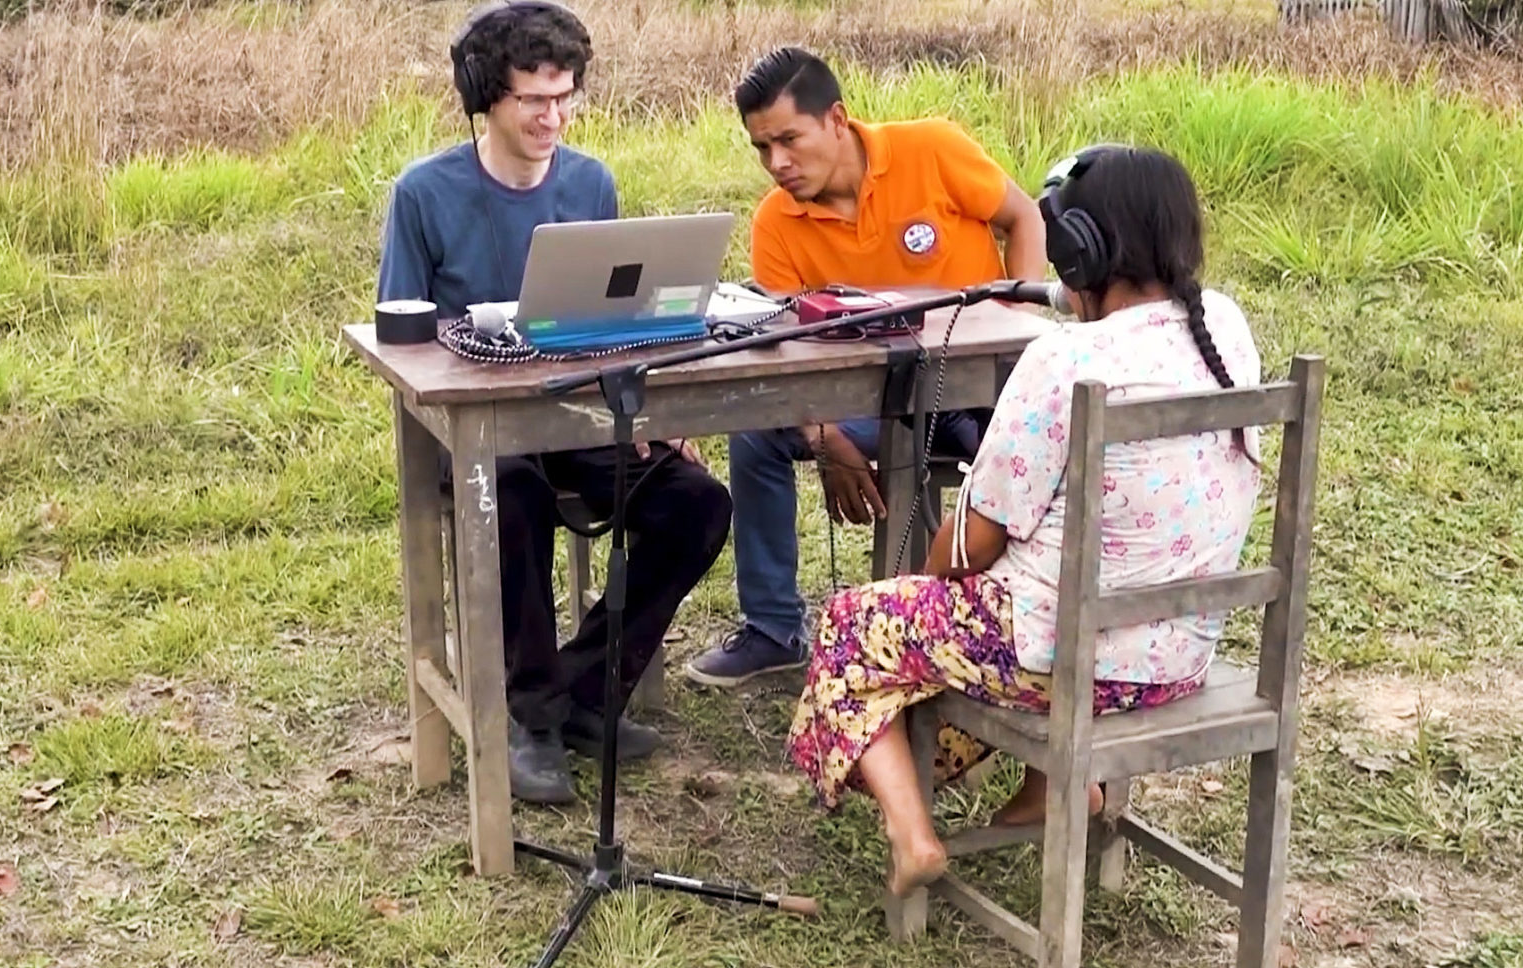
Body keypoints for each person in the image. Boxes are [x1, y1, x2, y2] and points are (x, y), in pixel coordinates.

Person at [785, 144, 1265, 896]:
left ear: (1079, 251)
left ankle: (914, 838)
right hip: (1176, 658)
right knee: (981, 609)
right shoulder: (1227, 328)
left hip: (1069, 665)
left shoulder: (1064, 359)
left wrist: (925, 584)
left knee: (854, 623)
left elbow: (975, 543)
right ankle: (1055, 791)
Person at [377, 0, 732, 805]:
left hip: (578, 415)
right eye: (533, 100)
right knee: (517, 494)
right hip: (470, 431)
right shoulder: (423, 194)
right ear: (485, 99)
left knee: (697, 504)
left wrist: (656, 420)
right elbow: (400, 338)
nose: (554, 115)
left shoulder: (589, 181)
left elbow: (611, 325)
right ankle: (527, 718)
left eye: (565, 95)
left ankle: (581, 691)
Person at [686, 47, 1048, 688]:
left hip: (984, 390)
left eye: (789, 140)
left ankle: (1022, 627)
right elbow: (784, 349)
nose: (778, 164)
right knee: (755, 435)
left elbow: (1024, 217)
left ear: (837, 119)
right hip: (867, 404)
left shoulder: (931, 150)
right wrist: (822, 435)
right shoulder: (776, 223)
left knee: (1040, 470)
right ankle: (773, 630)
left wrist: (1017, 323)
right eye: (761, 148)